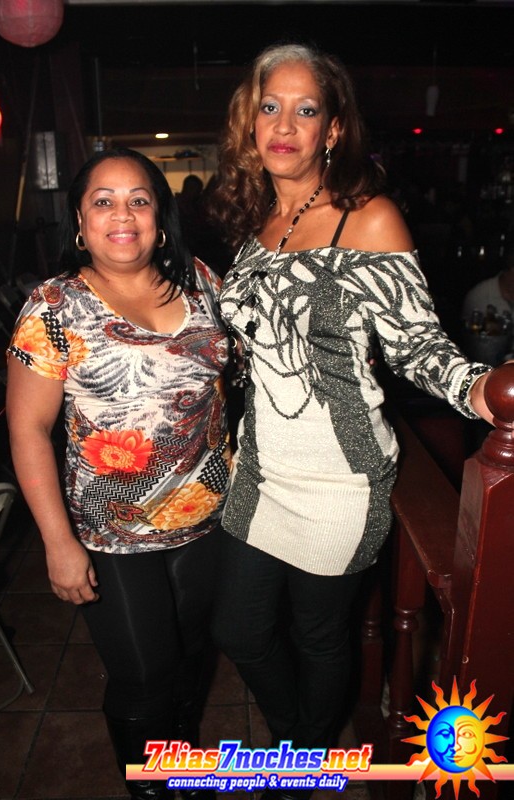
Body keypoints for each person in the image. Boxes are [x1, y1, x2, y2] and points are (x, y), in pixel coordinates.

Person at [207, 42, 495, 800]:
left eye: (305, 110)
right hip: (261, 470)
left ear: (333, 129)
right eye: (270, 107)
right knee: (237, 629)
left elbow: (421, 346)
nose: (284, 125)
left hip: (341, 479)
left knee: (319, 635)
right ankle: (298, 741)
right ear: (250, 123)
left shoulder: (369, 219)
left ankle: (300, 757)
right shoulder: (257, 221)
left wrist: (483, 390)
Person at [6, 147, 231, 800]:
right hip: (110, 532)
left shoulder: (201, 281)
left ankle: (182, 759)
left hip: (208, 518)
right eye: (103, 201)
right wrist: (58, 544)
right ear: (80, 221)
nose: (122, 214)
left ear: (160, 217)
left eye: (138, 199)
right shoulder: (54, 307)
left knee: (191, 656)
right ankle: (151, 787)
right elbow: (27, 430)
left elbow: (240, 373)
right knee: (143, 673)